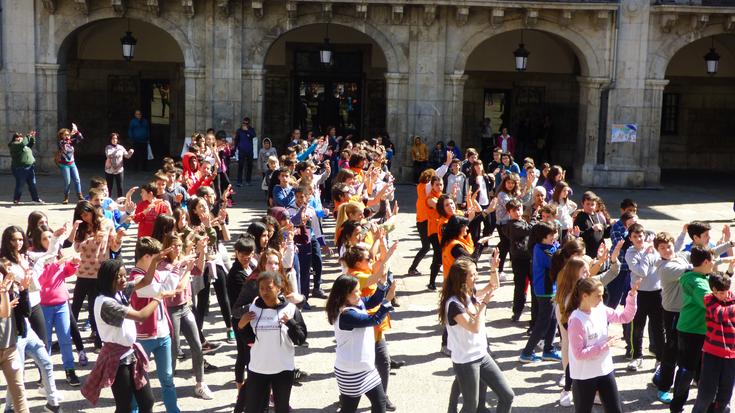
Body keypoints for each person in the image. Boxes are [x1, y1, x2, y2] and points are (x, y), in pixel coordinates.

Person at [80, 259, 167, 413]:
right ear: (108, 279)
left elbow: (146, 281)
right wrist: (158, 298)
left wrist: (154, 260)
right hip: (117, 358)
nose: (124, 279)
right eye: (119, 277)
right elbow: (141, 315)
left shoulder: (120, 291)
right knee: (124, 406)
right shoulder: (105, 303)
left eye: (125, 275)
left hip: (131, 354)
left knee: (147, 401)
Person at [439, 257, 514, 413]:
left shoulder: (468, 292)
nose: (476, 277)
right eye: (472, 275)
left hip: (482, 355)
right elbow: (474, 327)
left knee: (507, 396)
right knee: (470, 407)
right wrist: (484, 305)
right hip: (466, 361)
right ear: (462, 279)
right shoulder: (454, 305)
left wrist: (494, 268)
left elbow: (493, 285)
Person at [234, 271, 307, 413]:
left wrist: (291, 323)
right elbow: (249, 339)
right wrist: (241, 326)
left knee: (282, 409)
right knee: (254, 409)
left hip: (283, 369)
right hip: (258, 369)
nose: (265, 292)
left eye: (269, 288)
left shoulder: (290, 309)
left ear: (279, 288)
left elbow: (301, 338)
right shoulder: (253, 309)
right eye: (262, 288)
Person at [566, 277, 639, 413]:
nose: (602, 299)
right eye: (598, 296)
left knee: (615, 410)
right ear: (585, 296)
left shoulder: (600, 308)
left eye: (602, 295)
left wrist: (632, 296)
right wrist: (605, 345)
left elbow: (625, 317)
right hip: (584, 375)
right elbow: (579, 354)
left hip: (605, 370)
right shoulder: (576, 320)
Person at [327, 272, 395, 413]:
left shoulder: (357, 303)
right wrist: (387, 301)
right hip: (351, 371)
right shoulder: (346, 314)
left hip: (365, 368)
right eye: (355, 291)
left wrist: (382, 286)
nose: (359, 293)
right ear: (344, 295)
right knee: (349, 408)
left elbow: (372, 300)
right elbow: (373, 320)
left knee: (380, 401)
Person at [670, 245, 715, 413]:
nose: (714, 263)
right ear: (705, 262)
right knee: (687, 370)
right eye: (712, 260)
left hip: (688, 328)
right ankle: (677, 405)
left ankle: (695, 403)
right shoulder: (698, 283)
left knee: (693, 368)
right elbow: (709, 303)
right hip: (695, 331)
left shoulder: (692, 276)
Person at [691, 272, 735, 413]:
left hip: (731, 356)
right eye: (718, 292)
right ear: (712, 290)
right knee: (706, 394)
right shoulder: (709, 299)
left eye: (724, 292)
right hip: (712, 353)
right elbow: (720, 314)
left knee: (725, 394)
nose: (721, 295)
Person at [625, 223, 665, 372]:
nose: (639, 239)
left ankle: (660, 359)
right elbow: (642, 271)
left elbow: (664, 260)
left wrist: (651, 251)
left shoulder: (653, 249)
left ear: (645, 236)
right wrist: (647, 255)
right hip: (640, 294)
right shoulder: (631, 253)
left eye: (640, 236)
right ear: (630, 238)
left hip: (657, 293)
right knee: (637, 327)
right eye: (635, 237)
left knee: (658, 328)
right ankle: (636, 357)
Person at [519, 221, 561, 363]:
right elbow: (554, 263)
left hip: (552, 289)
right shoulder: (539, 249)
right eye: (551, 235)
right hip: (545, 290)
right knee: (543, 322)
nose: (554, 237)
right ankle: (527, 352)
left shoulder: (549, 246)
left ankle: (548, 349)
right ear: (542, 236)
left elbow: (557, 250)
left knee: (554, 319)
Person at [0, 263, 29, 413]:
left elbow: (26, 311)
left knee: (19, 392)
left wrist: (24, 291)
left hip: (9, 348)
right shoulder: (4, 289)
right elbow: (3, 312)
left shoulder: (8, 290)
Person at [9, 131, 42, 204]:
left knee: (32, 184)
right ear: (14, 139)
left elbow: (30, 144)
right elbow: (23, 143)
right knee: (20, 184)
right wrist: (27, 136)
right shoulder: (14, 145)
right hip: (20, 168)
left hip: (30, 167)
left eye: (20, 136)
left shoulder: (23, 146)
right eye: (17, 137)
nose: (19, 138)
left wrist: (32, 137)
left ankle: (35, 199)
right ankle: (16, 200)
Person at [56, 127, 84, 204]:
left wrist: (77, 131)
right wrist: (71, 135)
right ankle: (66, 198)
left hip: (72, 163)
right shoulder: (61, 142)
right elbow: (65, 144)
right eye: (65, 135)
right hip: (64, 165)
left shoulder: (71, 142)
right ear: (62, 136)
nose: (67, 136)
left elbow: (80, 138)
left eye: (68, 134)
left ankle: (80, 196)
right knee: (67, 182)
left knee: (77, 180)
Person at [104, 132, 134, 198]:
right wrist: (116, 150)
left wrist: (130, 152)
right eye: (113, 138)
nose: (115, 140)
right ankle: (108, 201)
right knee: (109, 187)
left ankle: (121, 202)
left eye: (116, 138)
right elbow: (109, 155)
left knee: (120, 187)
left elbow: (127, 156)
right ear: (110, 139)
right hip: (109, 170)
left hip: (119, 170)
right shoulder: (108, 147)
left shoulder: (121, 147)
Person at [235, 117, 257, 186]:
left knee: (249, 165)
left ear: (249, 124)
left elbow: (254, 136)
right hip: (241, 150)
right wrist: (236, 148)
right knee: (240, 165)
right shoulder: (239, 131)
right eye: (244, 123)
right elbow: (236, 140)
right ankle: (239, 181)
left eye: (247, 123)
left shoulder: (251, 130)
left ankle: (248, 181)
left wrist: (247, 130)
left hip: (249, 150)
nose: (245, 124)